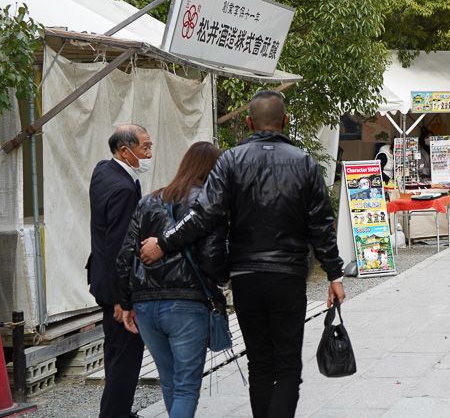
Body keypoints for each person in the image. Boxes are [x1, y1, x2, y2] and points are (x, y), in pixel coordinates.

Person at [139, 90, 344, 418]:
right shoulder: (305, 164)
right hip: (289, 275)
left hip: (246, 276)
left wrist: (164, 243)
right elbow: (321, 225)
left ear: (248, 123)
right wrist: (334, 274)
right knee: (288, 365)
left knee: (259, 363)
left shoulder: (231, 161)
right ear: (286, 121)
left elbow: (205, 216)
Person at [114, 142, 225, 418]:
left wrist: (125, 303)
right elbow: (212, 258)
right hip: (187, 303)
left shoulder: (148, 200)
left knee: (169, 379)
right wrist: (223, 278)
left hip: (146, 304)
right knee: (187, 386)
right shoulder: (210, 202)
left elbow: (125, 257)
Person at [88, 123, 152, 418]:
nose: (149, 154)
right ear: (125, 152)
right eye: (145, 148)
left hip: (102, 278)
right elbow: (119, 248)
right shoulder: (123, 189)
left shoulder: (104, 171)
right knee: (125, 355)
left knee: (116, 352)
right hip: (116, 287)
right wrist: (121, 300)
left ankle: (117, 412)